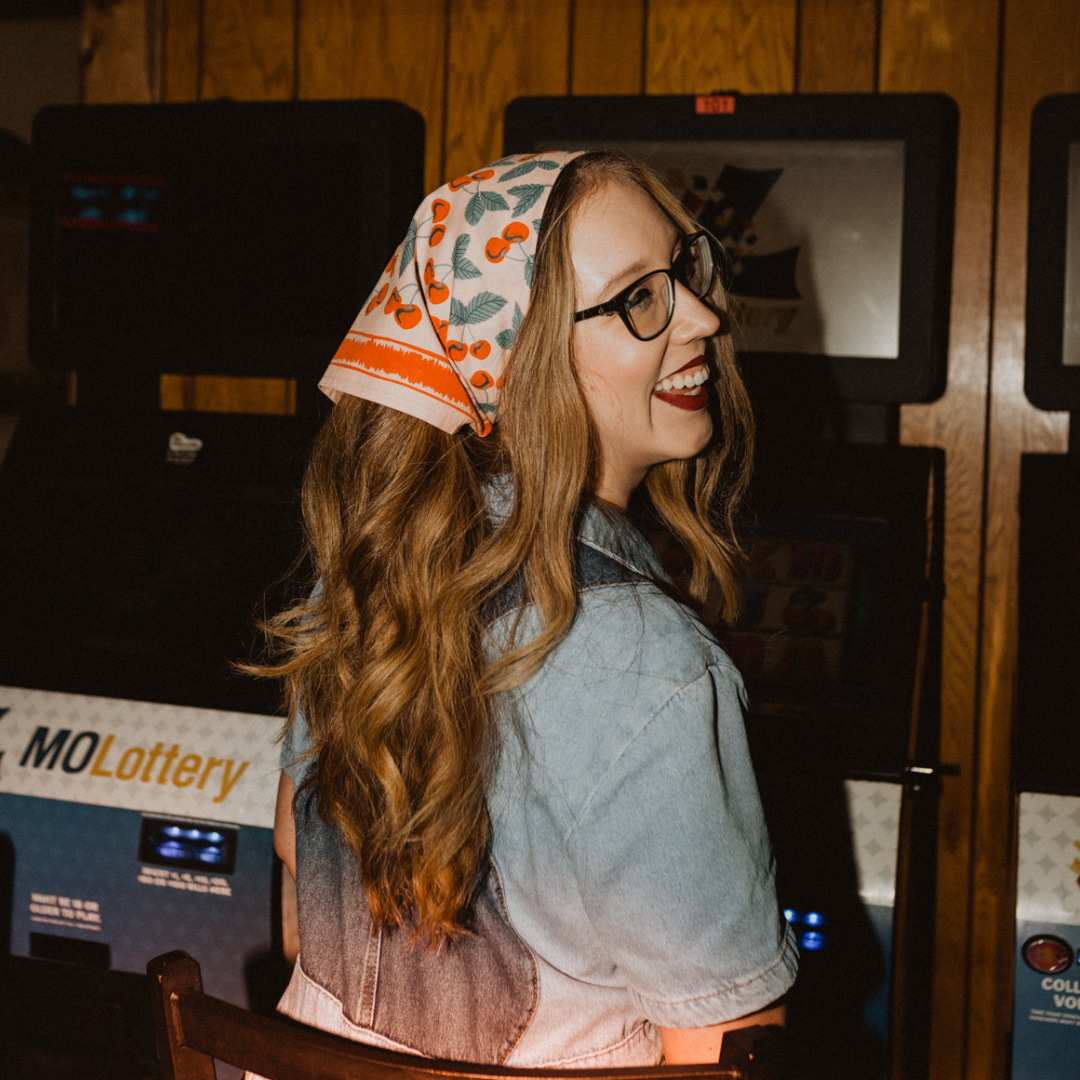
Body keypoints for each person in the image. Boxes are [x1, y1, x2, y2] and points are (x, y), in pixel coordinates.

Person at [263, 149, 798, 1068]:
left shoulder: (368, 572)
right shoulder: (652, 664)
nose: (704, 316)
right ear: (518, 361)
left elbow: (296, 906)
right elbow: (727, 1054)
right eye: (639, 299)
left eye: (684, 269)